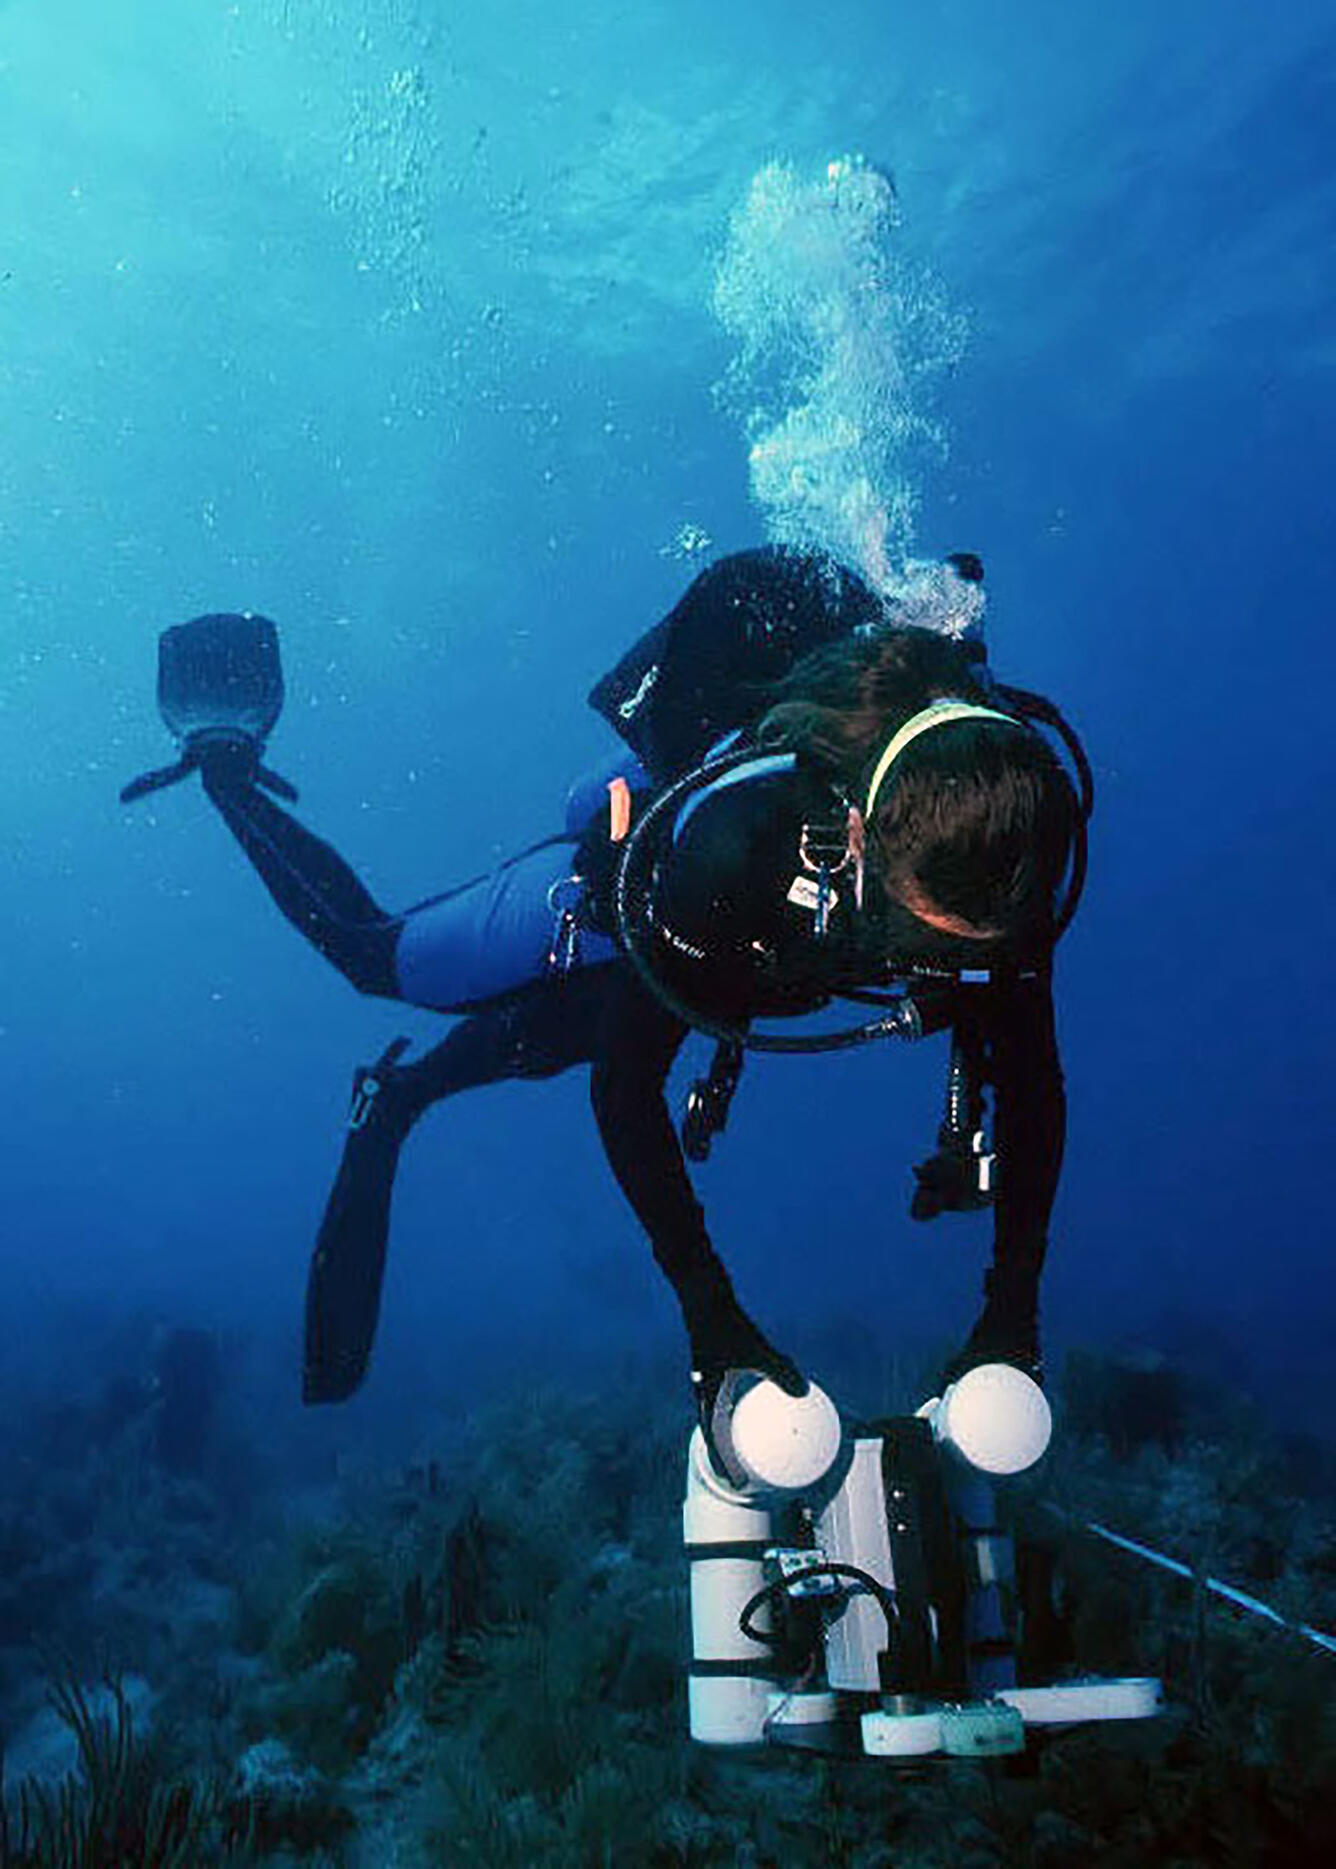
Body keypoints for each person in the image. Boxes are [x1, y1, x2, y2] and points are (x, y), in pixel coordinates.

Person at [121, 547, 1089, 1457]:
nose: (931, 971)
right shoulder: (731, 854)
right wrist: (715, 1320)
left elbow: (1033, 1092)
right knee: (379, 960)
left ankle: (408, 1094)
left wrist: (1013, 1320)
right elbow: (627, 1093)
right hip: (637, 896)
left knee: (597, 1020)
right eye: (913, 938)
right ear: (852, 843)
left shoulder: (1011, 857)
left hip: (743, 952)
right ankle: (224, 768)